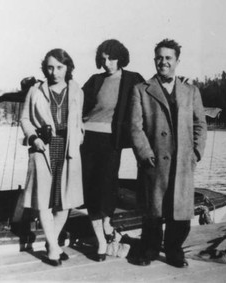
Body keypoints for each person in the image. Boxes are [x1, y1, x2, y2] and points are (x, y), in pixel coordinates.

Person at [129, 38, 207, 267]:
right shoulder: (141, 90)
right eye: (159, 58)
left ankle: (174, 250)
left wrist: (196, 154)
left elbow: (200, 124)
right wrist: (144, 153)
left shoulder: (190, 91)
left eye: (168, 58)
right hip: (154, 161)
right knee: (152, 211)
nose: (163, 62)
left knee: (180, 213)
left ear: (177, 61)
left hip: (183, 162)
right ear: (155, 60)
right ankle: (150, 250)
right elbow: (135, 126)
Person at [20, 48, 84, 267]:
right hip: (43, 148)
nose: (54, 72)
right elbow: (25, 119)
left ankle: (52, 243)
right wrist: (33, 138)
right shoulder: (35, 90)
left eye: (59, 67)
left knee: (64, 203)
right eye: (50, 67)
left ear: (68, 67)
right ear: (44, 68)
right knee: (44, 202)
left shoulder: (76, 90)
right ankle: (54, 248)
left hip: (68, 150)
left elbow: (78, 121)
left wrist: (79, 136)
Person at [81, 39, 144, 261]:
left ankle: (107, 226)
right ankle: (100, 241)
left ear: (121, 58)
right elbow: (76, 105)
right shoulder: (95, 80)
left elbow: (150, 96)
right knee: (90, 188)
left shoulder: (132, 79)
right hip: (87, 138)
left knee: (108, 186)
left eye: (112, 58)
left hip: (112, 140)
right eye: (104, 58)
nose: (107, 62)